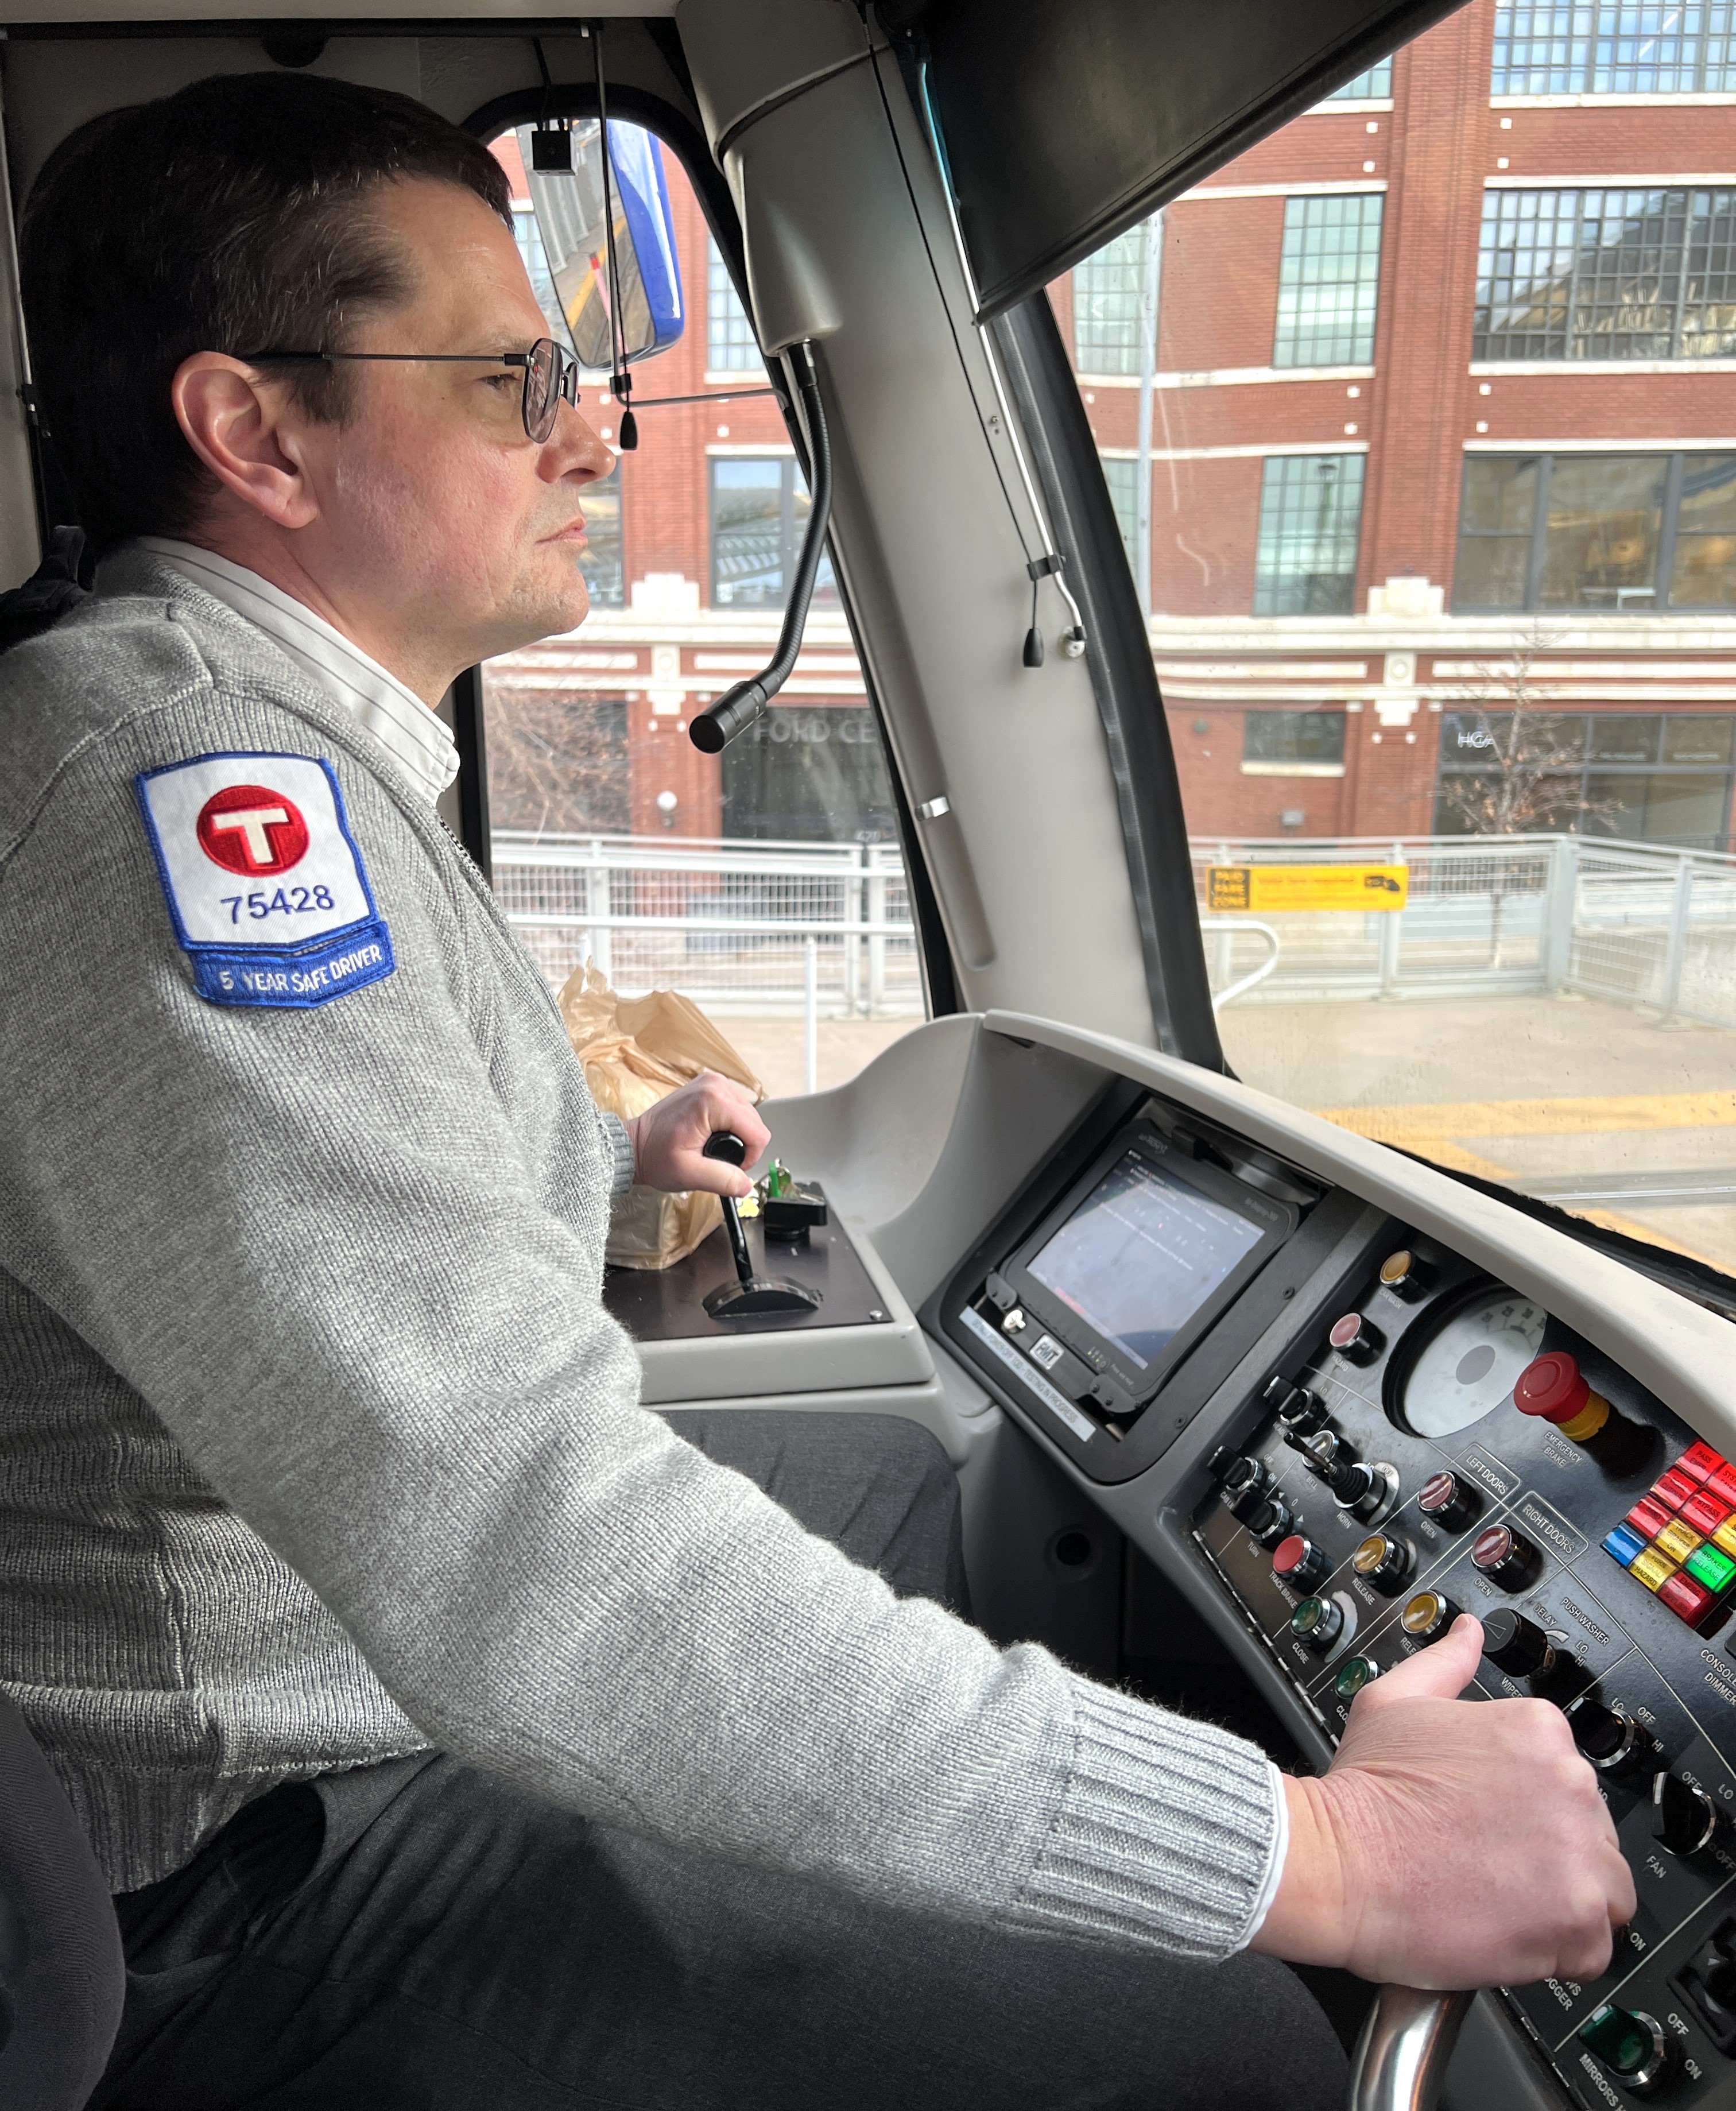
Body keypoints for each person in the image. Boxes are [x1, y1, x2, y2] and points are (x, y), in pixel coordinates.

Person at [0, 69, 1632, 2111]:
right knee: (1229, 2053)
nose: (592, 429)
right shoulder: (185, 808)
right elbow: (525, 1555)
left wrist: (598, 1174)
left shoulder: (249, 738)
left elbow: (255, 1229)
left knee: (910, 1503)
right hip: (254, 1855)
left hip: (340, 1670)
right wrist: (1323, 1855)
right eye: (517, 378)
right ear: (257, 431)